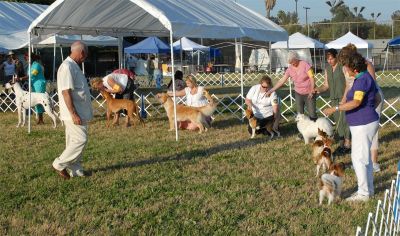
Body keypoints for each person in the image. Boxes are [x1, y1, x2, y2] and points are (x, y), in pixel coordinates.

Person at [323, 52, 379, 202]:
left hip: (363, 124)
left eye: (346, 67)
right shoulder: (363, 78)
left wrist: (335, 108)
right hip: (365, 122)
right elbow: (377, 98)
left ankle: (363, 193)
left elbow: (356, 102)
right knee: (365, 159)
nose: (345, 69)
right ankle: (369, 190)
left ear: (354, 69)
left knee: (358, 159)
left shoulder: (361, 81)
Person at [338, 43, 384, 172]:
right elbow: (348, 86)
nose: (343, 63)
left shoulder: (366, 64)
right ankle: (361, 161)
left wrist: (365, 106)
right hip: (356, 97)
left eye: (344, 59)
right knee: (359, 132)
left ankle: (374, 162)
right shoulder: (345, 68)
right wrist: (343, 102)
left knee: (371, 131)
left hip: (372, 98)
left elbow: (372, 85)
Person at [53, 41, 93, 179]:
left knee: (73, 141)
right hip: (74, 113)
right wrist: (73, 113)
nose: (85, 58)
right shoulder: (67, 67)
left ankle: (76, 170)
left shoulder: (73, 66)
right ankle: (59, 164)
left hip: (77, 111)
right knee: (80, 140)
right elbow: (66, 92)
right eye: (85, 55)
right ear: (82, 52)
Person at [315, 49, 351, 154]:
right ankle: (342, 142)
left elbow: (348, 83)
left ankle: (348, 144)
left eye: (332, 58)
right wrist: (318, 89)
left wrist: (344, 98)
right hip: (333, 99)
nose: (330, 61)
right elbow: (326, 85)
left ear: (336, 57)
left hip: (344, 97)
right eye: (328, 59)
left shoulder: (342, 67)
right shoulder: (327, 69)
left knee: (345, 121)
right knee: (338, 122)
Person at [266, 51, 317, 121]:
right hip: (298, 93)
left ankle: (315, 129)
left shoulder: (305, 64)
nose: (292, 64)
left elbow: (312, 77)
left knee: (312, 113)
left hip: (309, 92)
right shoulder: (290, 69)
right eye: (290, 63)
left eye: (293, 62)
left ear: (296, 58)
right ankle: (302, 129)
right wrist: (271, 90)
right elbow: (282, 81)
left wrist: (312, 90)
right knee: (299, 114)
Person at [17, 54, 47, 124]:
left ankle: (41, 119)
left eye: (27, 58)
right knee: (35, 101)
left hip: (39, 84)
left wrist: (21, 78)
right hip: (33, 85)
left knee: (40, 101)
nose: (26, 59)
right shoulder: (29, 66)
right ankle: (40, 119)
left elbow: (32, 75)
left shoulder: (36, 65)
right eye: (25, 58)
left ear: (31, 58)